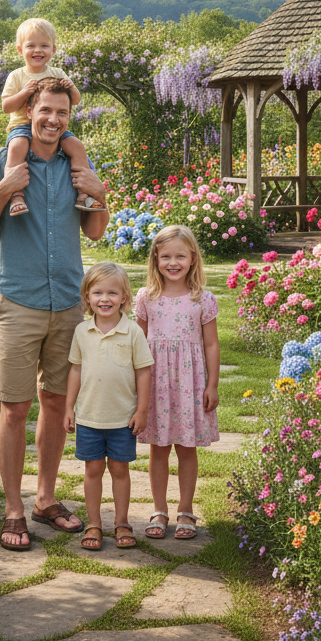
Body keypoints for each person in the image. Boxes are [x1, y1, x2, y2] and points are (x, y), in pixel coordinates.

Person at [0, 78, 111, 551]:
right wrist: (6, 188)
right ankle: (13, 509)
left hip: (68, 301)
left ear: (70, 118)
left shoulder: (76, 165)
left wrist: (101, 194)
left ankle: (45, 500)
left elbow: (94, 232)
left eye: (61, 113)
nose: (52, 120)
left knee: (53, 404)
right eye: (44, 111)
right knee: (14, 407)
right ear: (29, 110)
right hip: (19, 300)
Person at [135, 224, 220, 541]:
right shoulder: (147, 297)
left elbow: (211, 345)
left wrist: (212, 385)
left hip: (190, 382)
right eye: (166, 256)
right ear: (155, 258)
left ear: (193, 258)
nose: (173, 263)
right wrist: (135, 386)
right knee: (158, 448)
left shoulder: (203, 299)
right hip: (156, 382)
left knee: (186, 448)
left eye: (180, 256)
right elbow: (138, 341)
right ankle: (159, 509)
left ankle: (186, 510)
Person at [64, 263, 153, 552]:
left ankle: (122, 522)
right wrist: (69, 409)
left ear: (125, 297)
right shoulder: (81, 331)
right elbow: (75, 371)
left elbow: (143, 372)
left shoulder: (133, 332)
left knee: (119, 470)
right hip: (90, 417)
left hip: (122, 419)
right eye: (97, 292)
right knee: (92, 470)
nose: (105, 298)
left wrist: (141, 410)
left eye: (112, 292)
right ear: (87, 297)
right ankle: (94, 524)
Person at [0, 17, 105, 217]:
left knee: (76, 146)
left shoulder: (57, 72)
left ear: (53, 50)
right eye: (31, 45)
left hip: (53, 129)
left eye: (44, 46)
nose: (38, 50)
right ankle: (15, 195)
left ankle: (84, 193)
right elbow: (6, 106)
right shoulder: (17, 76)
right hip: (22, 126)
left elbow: (74, 100)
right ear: (20, 50)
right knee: (17, 147)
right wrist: (24, 93)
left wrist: (71, 87)